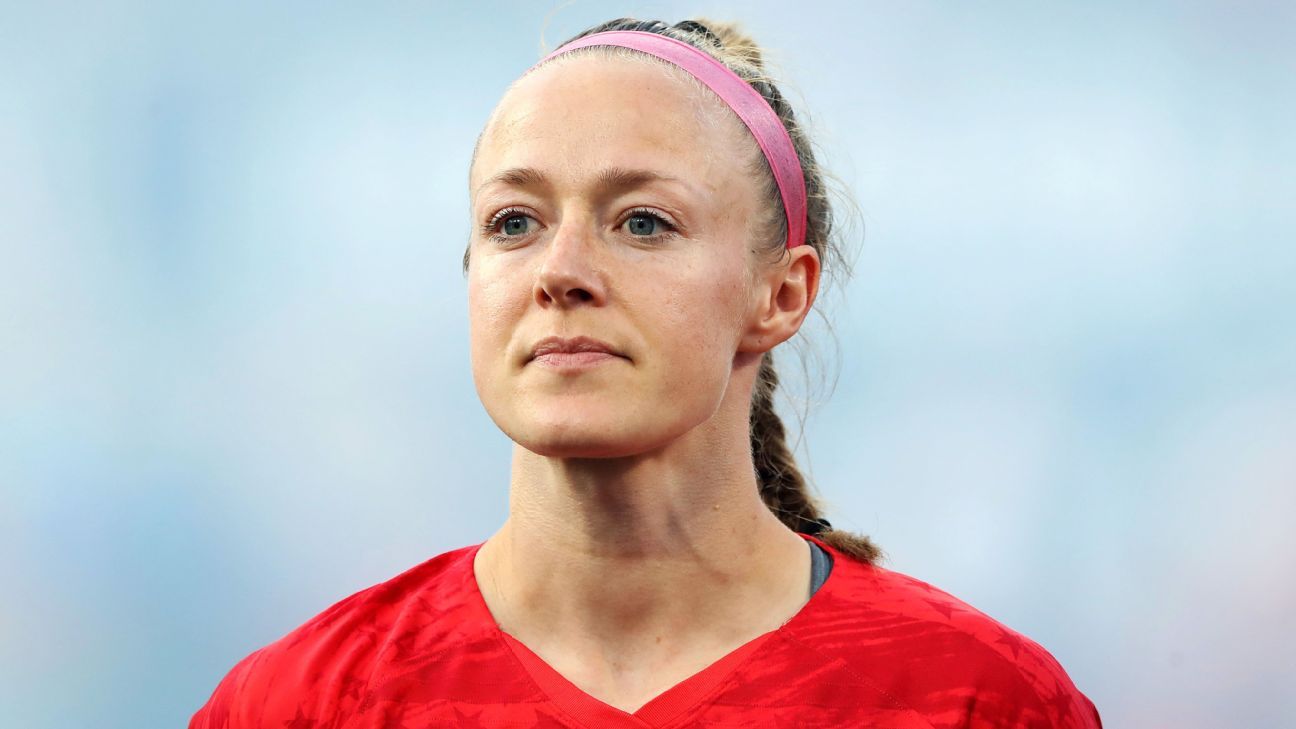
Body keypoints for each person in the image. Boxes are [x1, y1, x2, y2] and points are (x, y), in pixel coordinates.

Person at [191, 17, 1102, 729]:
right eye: (514, 222)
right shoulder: (303, 702)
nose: (560, 272)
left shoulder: (977, 699)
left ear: (781, 293)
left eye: (642, 222)